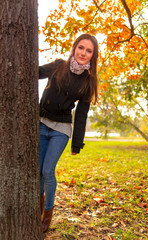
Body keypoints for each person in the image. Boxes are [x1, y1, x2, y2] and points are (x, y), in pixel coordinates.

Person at [39, 33, 99, 233]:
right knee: (38, 172)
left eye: (88, 50)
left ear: (93, 55)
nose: (83, 53)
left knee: (48, 171)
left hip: (61, 128)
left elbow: (81, 114)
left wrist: (77, 144)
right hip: (41, 122)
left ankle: (48, 214)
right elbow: (36, 72)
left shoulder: (88, 82)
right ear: (74, 48)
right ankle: (37, 211)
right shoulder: (58, 66)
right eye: (81, 47)